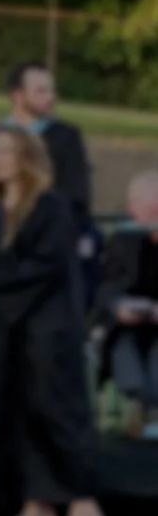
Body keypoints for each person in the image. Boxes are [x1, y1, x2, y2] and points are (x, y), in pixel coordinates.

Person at [0, 125, 105, 516]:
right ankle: (37, 510)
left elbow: (43, 269)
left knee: (56, 416)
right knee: (18, 418)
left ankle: (84, 508)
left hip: (48, 331)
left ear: (27, 156)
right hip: (12, 333)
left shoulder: (51, 207)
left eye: (7, 151)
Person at [0, 61, 100, 309]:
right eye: (41, 91)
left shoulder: (65, 139)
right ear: (18, 95)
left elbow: (76, 198)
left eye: (51, 90)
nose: (51, 98)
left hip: (40, 253)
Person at [93, 170, 158, 439]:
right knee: (123, 348)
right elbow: (104, 287)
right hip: (125, 327)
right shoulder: (124, 241)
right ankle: (133, 411)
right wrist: (118, 307)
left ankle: (148, 412)